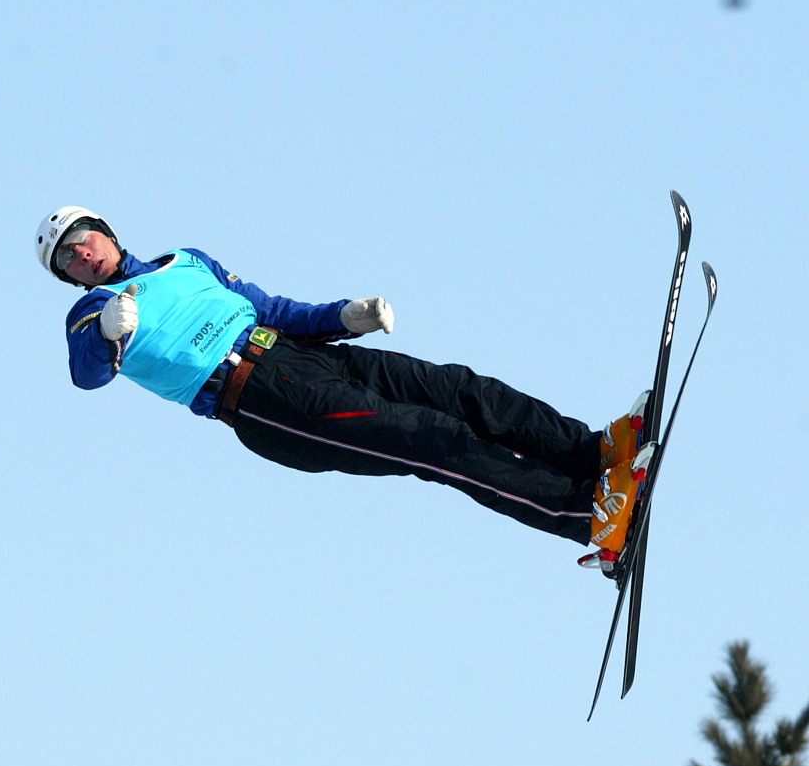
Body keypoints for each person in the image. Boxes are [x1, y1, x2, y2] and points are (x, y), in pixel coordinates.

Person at [35, 205, 651, 568]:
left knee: (458, 389)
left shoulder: (187, 260)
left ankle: (594, 453)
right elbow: (86, 373)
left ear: (106, 230)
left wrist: (344, 317)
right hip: (261, 398)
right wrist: (109, 333)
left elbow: (270, 305)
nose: (81, 256)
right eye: (67, 259)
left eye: (82, 239)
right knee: (431, 439)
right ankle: (590, 519)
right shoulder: (92, 314)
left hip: (302, 353)